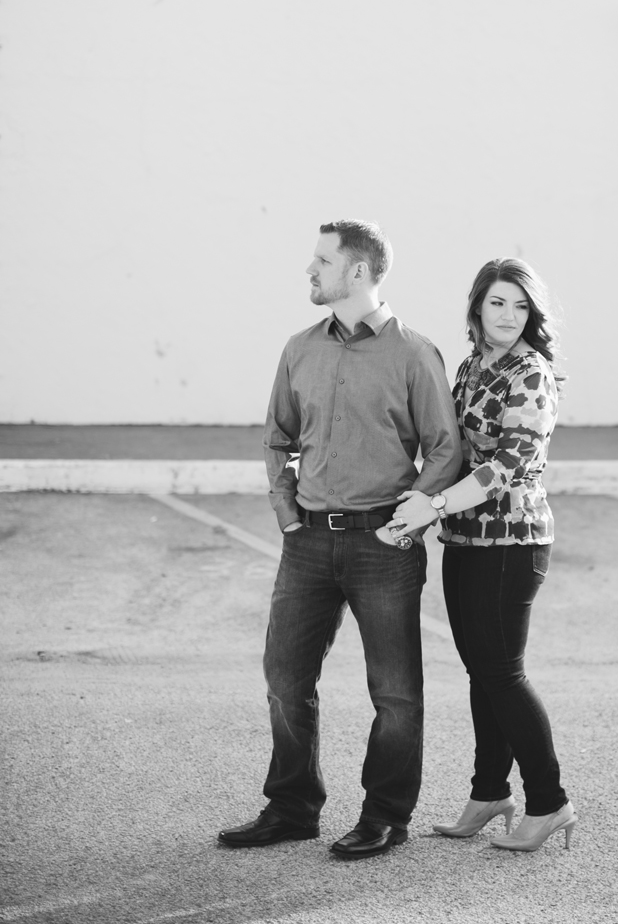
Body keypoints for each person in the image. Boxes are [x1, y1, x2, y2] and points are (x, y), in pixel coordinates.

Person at [218, 219, 462, 860]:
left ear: (358, 271)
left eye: (321, 261)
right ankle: (293, 807)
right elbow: (277, 436)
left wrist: (412, 514)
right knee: (284, 678)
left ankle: (384, 815)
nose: (310, 270)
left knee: (395, 692)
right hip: (307, 544)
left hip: (383, 547)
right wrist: (285, 510)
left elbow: (444, 449)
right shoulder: (299, 348)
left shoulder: (415, 354)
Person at [389, 257, 576, 853]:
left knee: (502, 672)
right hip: (466, 539)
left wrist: (435, 505)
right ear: (477, 306)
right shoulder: (470, 366)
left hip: (514, 541)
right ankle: (489, 793)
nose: (509, 316)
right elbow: (446, 442)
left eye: (521, 306)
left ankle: (549, 802)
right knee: (481, 672)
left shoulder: (531, 373)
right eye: (499, 303)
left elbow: (505, 467)